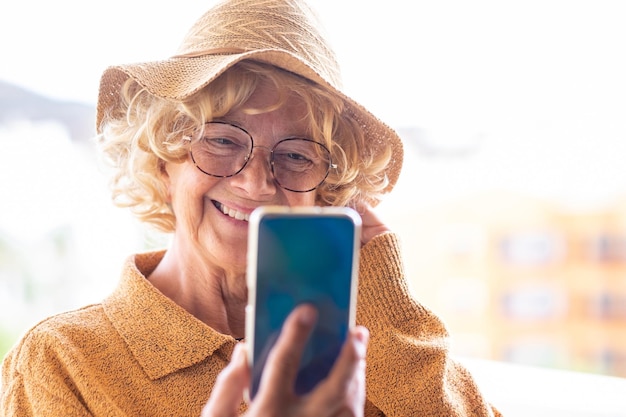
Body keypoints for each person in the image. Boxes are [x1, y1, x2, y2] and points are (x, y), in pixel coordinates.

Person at [1, 0, 503, 416]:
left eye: (296, 155)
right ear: (161, 161)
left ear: (329, 190)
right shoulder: (65, 360)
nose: (257, 181)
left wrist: (388, 313)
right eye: (221, 140)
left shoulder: (376, 356)